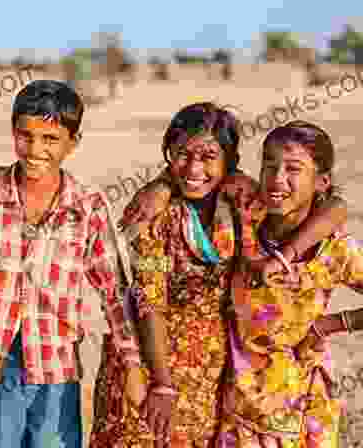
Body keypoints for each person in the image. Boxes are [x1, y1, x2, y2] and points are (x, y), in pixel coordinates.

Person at [89, 103, 347, 448]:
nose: (194, 168)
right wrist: (162, 383)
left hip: (213, 376)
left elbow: (334, 207)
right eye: (181, 155)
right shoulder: (153, 217)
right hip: (150, 369)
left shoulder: (242, 199)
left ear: (229, 160)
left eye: (208, 156)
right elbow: (149, 302)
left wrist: (287, 257)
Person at [0, 79, 142, 448]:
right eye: (25, 136)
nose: (35, 149)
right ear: (13, 133)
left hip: (56, 364)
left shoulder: (87, 206)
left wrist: (133, 363)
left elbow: (116, 291)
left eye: (50, 139)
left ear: (72, 143)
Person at [216, 121, 357, 447]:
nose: (277, 178)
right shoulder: (246, 214)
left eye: (294, 169)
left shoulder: (333, 248)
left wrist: (331, 324)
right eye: (269, 165)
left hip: (305, 409)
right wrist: (160, 187)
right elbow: (197, 167)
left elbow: (338, 207)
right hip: (241, 410)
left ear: (321, 182)